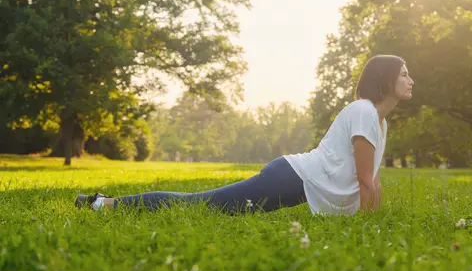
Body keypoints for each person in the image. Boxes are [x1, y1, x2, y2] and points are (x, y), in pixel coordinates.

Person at [75, 55, 414, 215]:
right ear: (385, 79)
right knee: (200, 205)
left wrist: (375, 217)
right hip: (290, 177)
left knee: (205, 206)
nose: (411, 80)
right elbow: (365, 182)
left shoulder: (378, 122)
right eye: (404, 74)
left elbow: (373, 180)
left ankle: (105, 203)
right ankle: (104, 204)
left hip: (296, 183)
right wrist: (368, 227)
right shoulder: (364, 112)